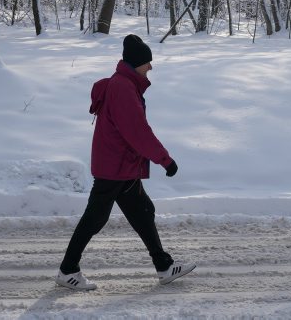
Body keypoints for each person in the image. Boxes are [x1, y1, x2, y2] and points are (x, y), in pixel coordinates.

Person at [55, 34, 195, 290]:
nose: (151, 67)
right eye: (147, 63)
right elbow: (137, 131)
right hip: (114, 168)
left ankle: (164, 266)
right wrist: (165, 160)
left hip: (122, 167)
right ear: (136, 63)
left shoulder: (125, 84)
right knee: (94, 220)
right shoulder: (123, 88)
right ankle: (67, 270)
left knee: (143, 213)